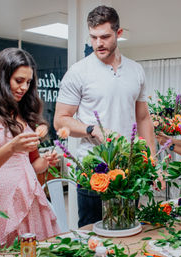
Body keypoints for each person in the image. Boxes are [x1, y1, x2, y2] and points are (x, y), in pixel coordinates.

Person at [53, 5, 158, 228]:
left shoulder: (136, 70)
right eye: (93, 37)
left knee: (127, 230)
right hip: (93, 170)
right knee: (93, 237)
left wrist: (152, 160)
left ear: (119, 34)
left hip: (129, 169)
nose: (98, 43)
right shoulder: (78, 72)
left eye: (105, 37)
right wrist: (92, 129)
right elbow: (60, 120)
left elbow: (143, 119)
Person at [0, 48, 60, 256]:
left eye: (28, 82)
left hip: (29, 203)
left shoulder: (22, 112)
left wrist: (45, 162)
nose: (24, 87)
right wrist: (10, 148)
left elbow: (31, 165)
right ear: (1, 77)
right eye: (18, 80)